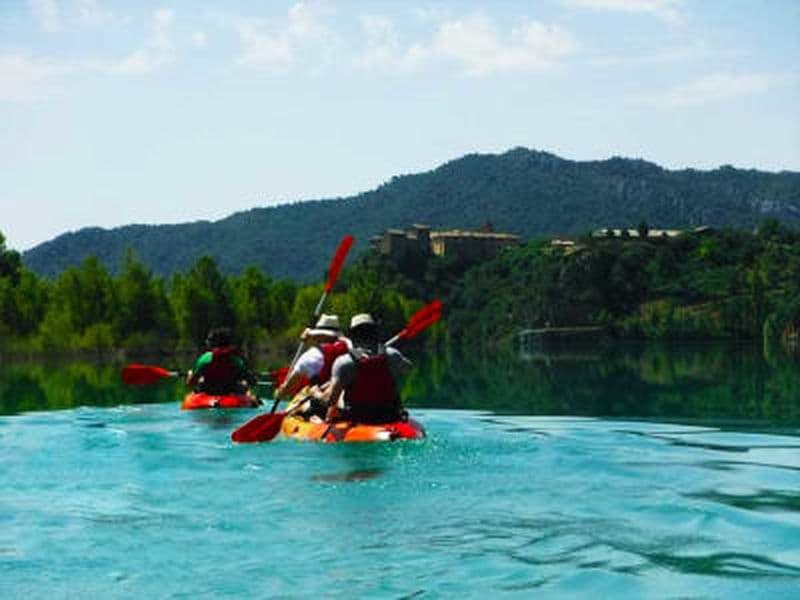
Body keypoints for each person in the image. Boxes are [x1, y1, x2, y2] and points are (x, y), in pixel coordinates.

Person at [320, 313, 412, 424]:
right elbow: (408, 368)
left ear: (353, 336)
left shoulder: (343, 362)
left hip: (357, 417)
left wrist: (317, 395)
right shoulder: (392, 355)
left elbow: (330, 401)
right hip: (390, 415)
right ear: (375, 333)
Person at [273, 314, 349, 420]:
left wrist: (279, 393)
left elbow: (289, 389)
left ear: (318, 335)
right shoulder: (350, 347)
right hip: (349, 403)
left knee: (297, 405)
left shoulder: (311, 355)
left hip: (323, 406)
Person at [186, 327, 256, 396]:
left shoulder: (204, 359)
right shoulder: (236, 361)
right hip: (230, 392)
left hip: (209, 391)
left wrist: (190, 374)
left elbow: (190, 383)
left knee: (200, 382)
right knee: (244, 384)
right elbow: (252, 381)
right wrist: (250, 378)